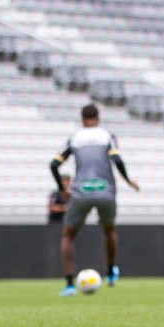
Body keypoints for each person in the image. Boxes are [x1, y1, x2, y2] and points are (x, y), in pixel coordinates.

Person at [50, 103, 139, 297]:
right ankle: (110, 271)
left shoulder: (75, 138)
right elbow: (118, 161)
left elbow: (54, 164)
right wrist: (128, 181)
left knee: (68, 235)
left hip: (81, 192)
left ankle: (69, 285)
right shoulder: (107, 136)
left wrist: (62, 189)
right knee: (109, 230)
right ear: (98, 118)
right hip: (105, 191)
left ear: (82, 119)